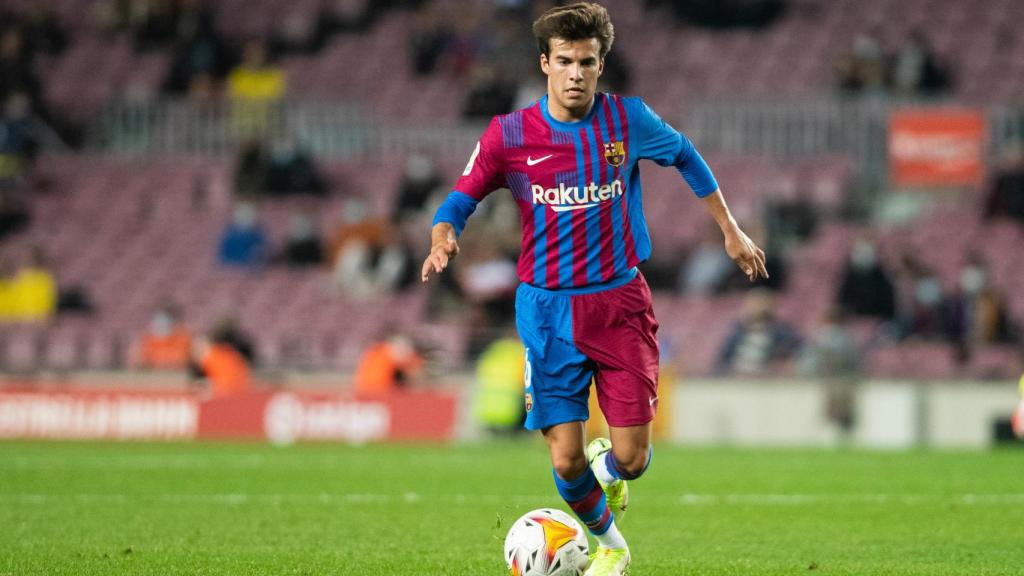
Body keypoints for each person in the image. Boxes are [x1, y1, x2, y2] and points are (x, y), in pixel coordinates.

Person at [419, 5, 767, 574]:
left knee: (633, 459)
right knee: (564, 455)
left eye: (585, 61)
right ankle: (611, 546)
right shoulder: (508, 134)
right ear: (545, 64)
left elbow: (685, 155)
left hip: (619, 303)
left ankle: (610, 473)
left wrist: (730, 230)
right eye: (564, 61)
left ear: (601, 65)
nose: (575, 72)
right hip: (547, 309)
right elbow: (461, 197)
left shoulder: (627, 121)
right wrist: (443, 235)